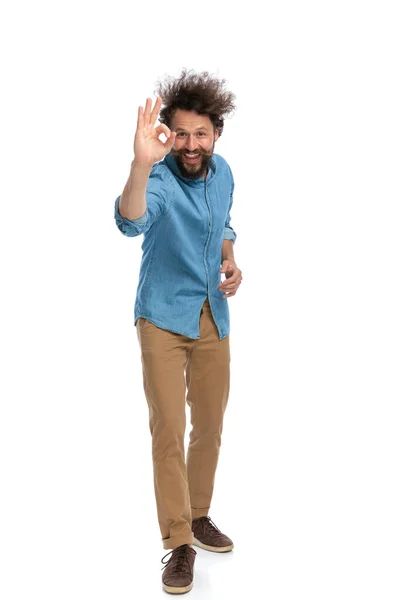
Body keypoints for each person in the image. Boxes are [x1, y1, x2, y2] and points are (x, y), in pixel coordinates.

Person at [114, 69, 242, 594]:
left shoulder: (225, 172)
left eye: (201, 135)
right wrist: (140, 166)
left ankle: (199, 513)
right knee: (168, 430)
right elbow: (130, 220)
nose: (191, 145)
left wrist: (230, 258)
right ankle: (179, 542)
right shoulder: (160, 178)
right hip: (163, 318)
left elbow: (225, 223)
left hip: (212, 315)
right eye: (182, 134)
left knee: (208, 425)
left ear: (216, 135)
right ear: (168, 134)